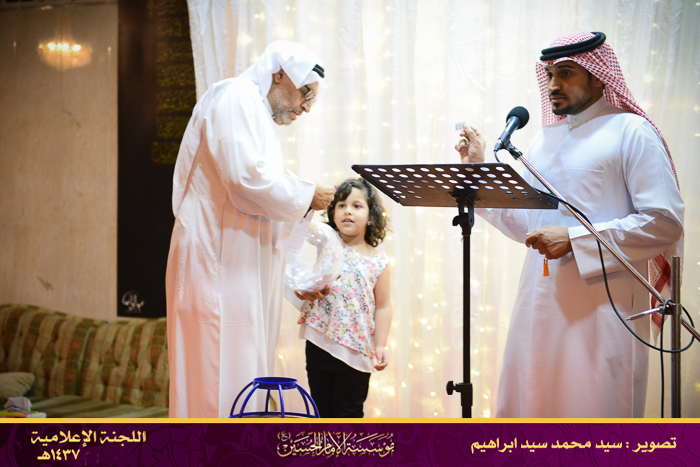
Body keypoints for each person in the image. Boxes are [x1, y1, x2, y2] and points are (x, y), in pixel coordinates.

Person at [455, 32, 684, 417]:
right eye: (549, 74)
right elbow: (526, 223)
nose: (552, 85)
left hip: (601, 312)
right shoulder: (544, 141)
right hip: (537, 305)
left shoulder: (631, 131)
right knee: (531, 409)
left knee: (591, 413)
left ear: (598, 76)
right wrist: (478, 170)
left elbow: (663, 223)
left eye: (565, 73)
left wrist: (576, 240)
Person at [166, 41, 336, 418]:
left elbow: (263, 218)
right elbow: (245, 179)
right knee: (215, 381)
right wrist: (308, 193)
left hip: (235, 270)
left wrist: (297, 282)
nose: (307, 106)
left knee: (243, 382)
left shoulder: (256, 114)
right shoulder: (235, 95)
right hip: (214, 265)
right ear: (280, 75)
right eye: (306, 93)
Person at [296, 178, 393, 418]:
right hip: (319, 341)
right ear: (332, 212)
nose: (347, 210)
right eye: (341, 205)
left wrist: (380, 345)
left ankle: (349, 446)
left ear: (371, 216)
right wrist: (311, 197)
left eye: (356, 206)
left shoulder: (379, 261)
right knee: (321, 411)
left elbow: (383, 306)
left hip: (356, 348)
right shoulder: (328, 240)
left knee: (349, 412)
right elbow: (299, 223)